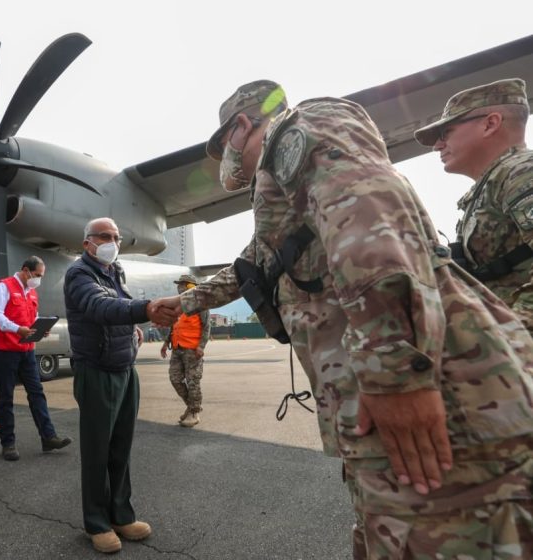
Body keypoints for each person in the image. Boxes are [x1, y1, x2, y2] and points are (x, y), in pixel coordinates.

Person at [156, 80, 533, 558]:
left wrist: (396, 374)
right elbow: (252, 265)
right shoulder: (278, 199)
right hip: (370, 416)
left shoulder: (301, 129)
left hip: (428, 405)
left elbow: (370, 217)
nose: (223, 161)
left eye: (222, 144)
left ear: (242, 127)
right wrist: (183, 304)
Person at [63, 217, 181, 554]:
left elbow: (116, 310)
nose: (112, 241)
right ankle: (97, 522)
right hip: (97, 371)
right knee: (97, 452)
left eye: (116, 237)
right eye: (105, 236)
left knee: (120, 449)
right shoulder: (80, 273)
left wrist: (132, 330)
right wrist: (145, 310)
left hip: (125, 368)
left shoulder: (115, 272)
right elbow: (100, 307)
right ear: (87, 242)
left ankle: (121, 515)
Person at [414, 78, 533, 333]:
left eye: (446, 133)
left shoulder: (522, 172)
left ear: (491, 124)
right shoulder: (495, 182)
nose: (437, 146)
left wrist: (513, 337)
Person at [0, 256, 72, 462]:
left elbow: (31, 317)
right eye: (37, 275)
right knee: (6, 397)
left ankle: (48, 437)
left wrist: (39, 327)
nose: (38, 280)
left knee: (37, 393)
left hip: (27, 349)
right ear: (26, 270)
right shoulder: (4, 287)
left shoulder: (31, 292)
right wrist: (18, 329)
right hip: (6, 349)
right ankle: (7, 444)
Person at [160, 274, 209, 427]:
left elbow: (207, 327)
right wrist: (166, 342)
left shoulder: (200, 303)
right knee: (175, 379)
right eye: (178, 284)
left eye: (182, 284)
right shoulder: (178, 304)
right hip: (177, 348)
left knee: (193, 381)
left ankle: (194, 413)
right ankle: (192, 407)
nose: (179, 286)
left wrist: (201, 346)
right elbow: (174, 325)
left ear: (190, 286)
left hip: (192, 349)